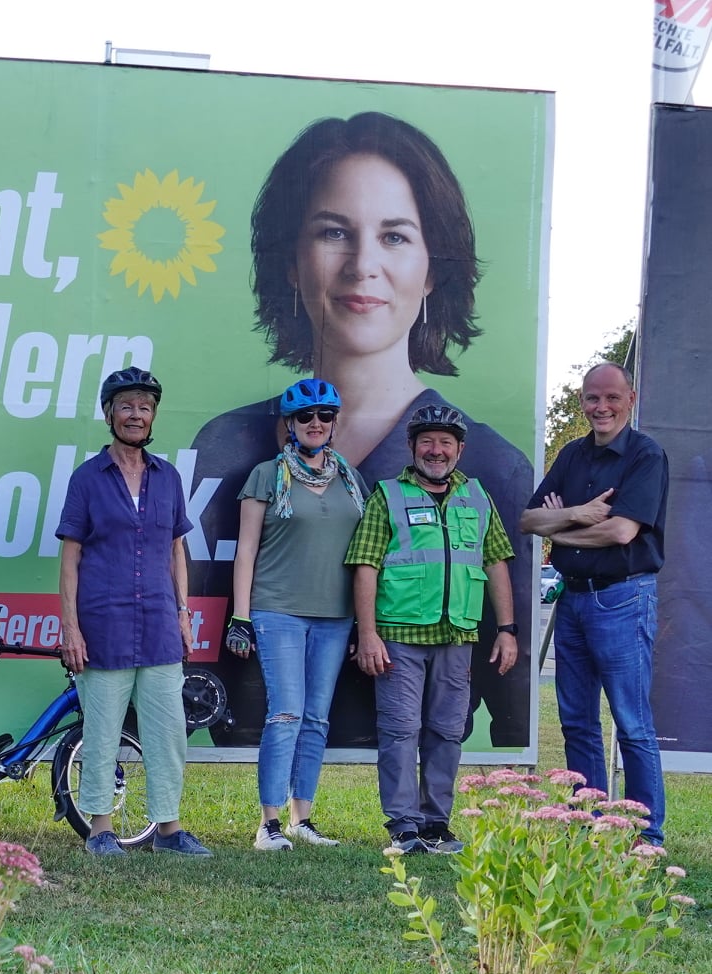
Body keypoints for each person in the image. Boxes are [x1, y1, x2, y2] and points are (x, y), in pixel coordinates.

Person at [189, 111, 534, 754]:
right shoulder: (227, 445)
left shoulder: (493, 464)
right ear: (292, 261)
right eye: (333, 232)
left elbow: (509, 693)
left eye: (396, 237)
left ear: (433, 268)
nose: (362, 265)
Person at [345, 404, 518, 855]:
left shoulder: (478, 497)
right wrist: (368, 634)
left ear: (460, 449)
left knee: (446, 732)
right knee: (401, 731)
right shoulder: (388, 494)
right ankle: (404, 826)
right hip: (399, 637)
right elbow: (365, 566)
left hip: (457, 637)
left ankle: (436, 824)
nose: (435, 450)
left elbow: (496, 560)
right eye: (427, 441)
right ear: (412, 446)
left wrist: (507, 628)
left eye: (445, 442)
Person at [56, 367, 211, 859]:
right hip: (103, 624)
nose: (136, 414)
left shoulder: (168, 477)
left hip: (161, 626)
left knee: (167, 734)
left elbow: (175, 551)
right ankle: (100, 829)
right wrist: (71, 628)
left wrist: (184, 612)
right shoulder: (87, 479)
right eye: (126, 405)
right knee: (102, 731)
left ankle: (168, 829)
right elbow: (70, 558)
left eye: (145, 406)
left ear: (153, 416)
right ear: (109, 414)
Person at [520, 362, 669, 848]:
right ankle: (587, 825)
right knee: (576, 721)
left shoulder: (646, 456)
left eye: (611, 398)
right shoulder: (571, 455)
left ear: (632, 397)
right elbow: (527, 519)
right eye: (591, 398)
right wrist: (580, 514)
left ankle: (646, 834)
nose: (600, 407)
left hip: (623, 598)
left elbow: (623, 530)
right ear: (582, 401)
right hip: (574, 601)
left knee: (631, 721)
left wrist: (558, 524)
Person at [226, 378, 366, 851]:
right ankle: (268, 824)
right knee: (285, 713)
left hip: (336, 614)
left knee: (317, 718)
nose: (315, 424)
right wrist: (240, 617)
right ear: (289, 424)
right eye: (305, 416)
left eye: (325, 416)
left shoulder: (350, 478)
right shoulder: (267, 475)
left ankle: (302, 818)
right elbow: (245, 551)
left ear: (334, 423)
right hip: (277, 609)